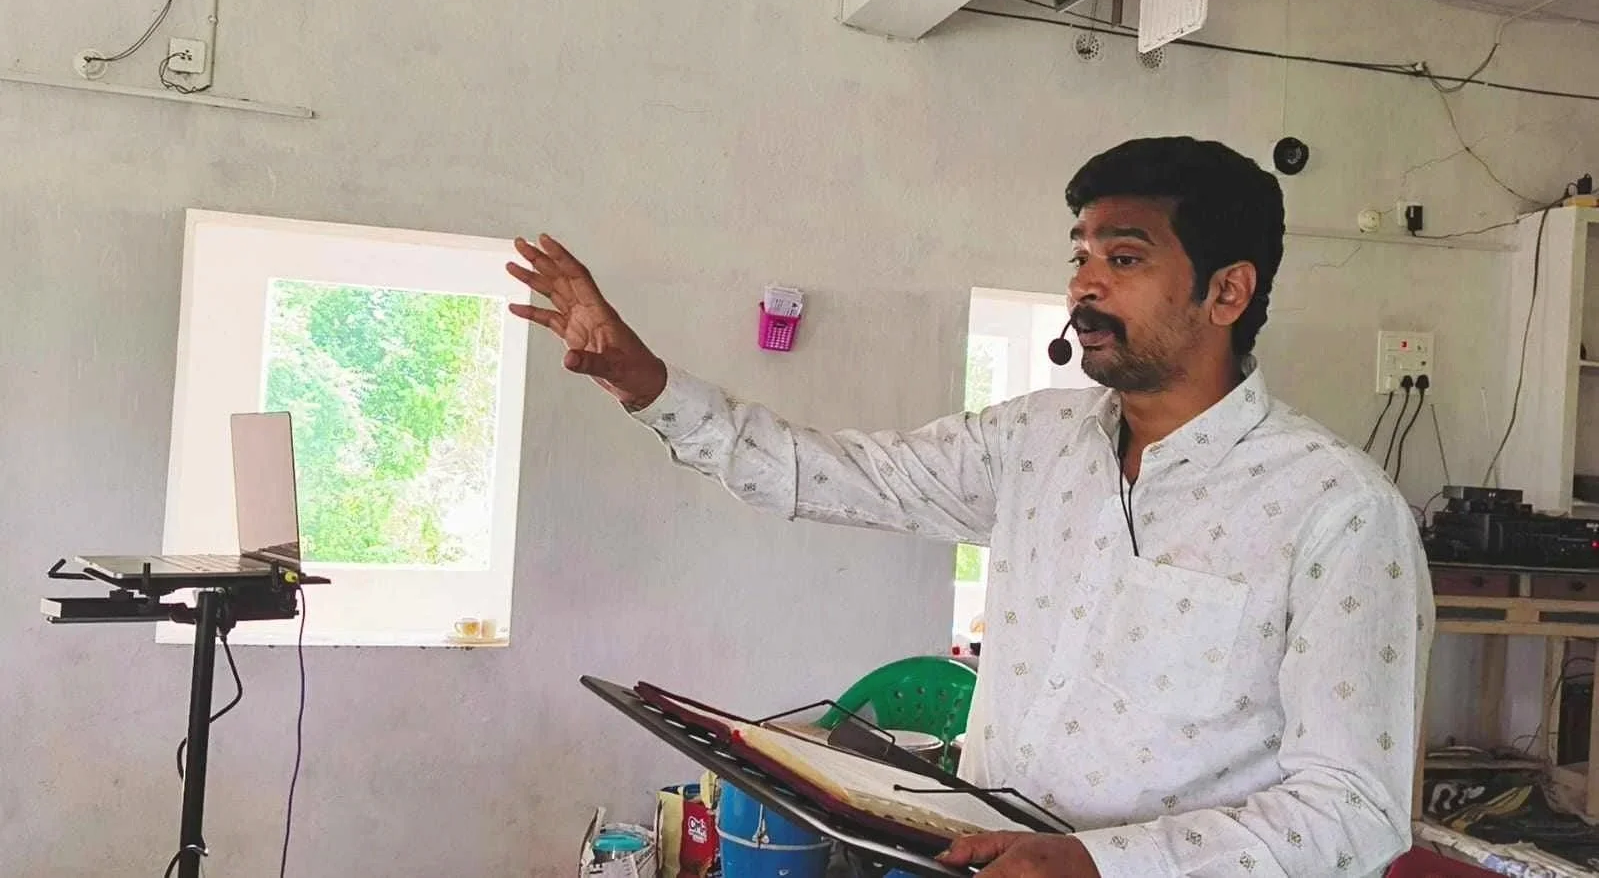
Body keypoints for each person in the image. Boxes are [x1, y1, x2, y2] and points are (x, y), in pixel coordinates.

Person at [506, 136, 1434, 877]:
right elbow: (825, 472)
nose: (1083, 284)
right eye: (1079, 256)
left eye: (1123, 257)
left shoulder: (1337, 509)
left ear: (1227, 289)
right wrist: (646, 383)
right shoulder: (1036, 441)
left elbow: (1350, 814)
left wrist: (1097, 862)